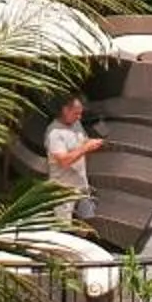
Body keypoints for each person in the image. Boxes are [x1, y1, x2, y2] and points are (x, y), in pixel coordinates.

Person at [43, 93, 104, 224]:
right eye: (76, 113)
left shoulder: (76, 124)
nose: (79, 117)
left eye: (80, 113)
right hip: (64, 189)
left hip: (81, 185)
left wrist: (92, 143)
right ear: (65, 110)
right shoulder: (54, 133)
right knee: (63, 226)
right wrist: (85, 148)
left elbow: (82, 141)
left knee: (88, 222)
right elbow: (63, 161)